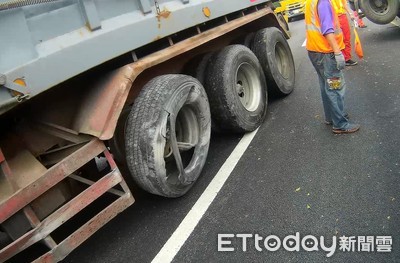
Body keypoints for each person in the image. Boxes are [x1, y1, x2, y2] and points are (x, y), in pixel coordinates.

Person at [305, 0, 360, 134]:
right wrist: (337, 52)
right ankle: (340, 124)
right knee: (335, 87)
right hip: (326, 52)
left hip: (315, 50)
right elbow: (327, 29)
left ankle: (331, 117)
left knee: (326, 85)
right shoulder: (323, 2)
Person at [331, 0, 358, 66]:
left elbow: (344, 4)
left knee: (347, 38)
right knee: (337, 39)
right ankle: (339, 58)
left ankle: (347, 58)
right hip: (333, 18)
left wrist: (350, 14)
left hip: (342, 16)